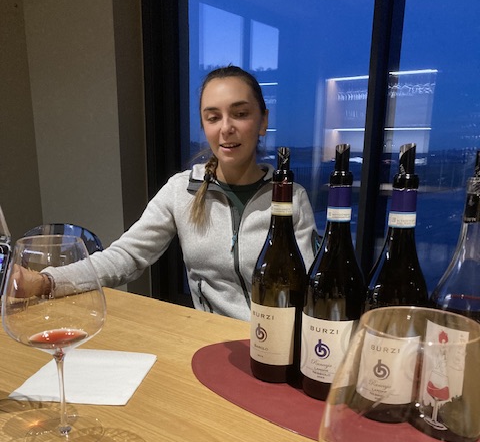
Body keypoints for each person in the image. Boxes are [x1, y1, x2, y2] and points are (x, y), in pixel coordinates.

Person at [27, 66, 318, 321]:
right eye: (213, 117)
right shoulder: (181, 190)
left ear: (263, 121)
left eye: (240, 114)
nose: (226, 128)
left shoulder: (291, 197)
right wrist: (45, 281)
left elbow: (306, 288)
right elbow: (126, 256)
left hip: (280, 343)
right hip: (212, 341)